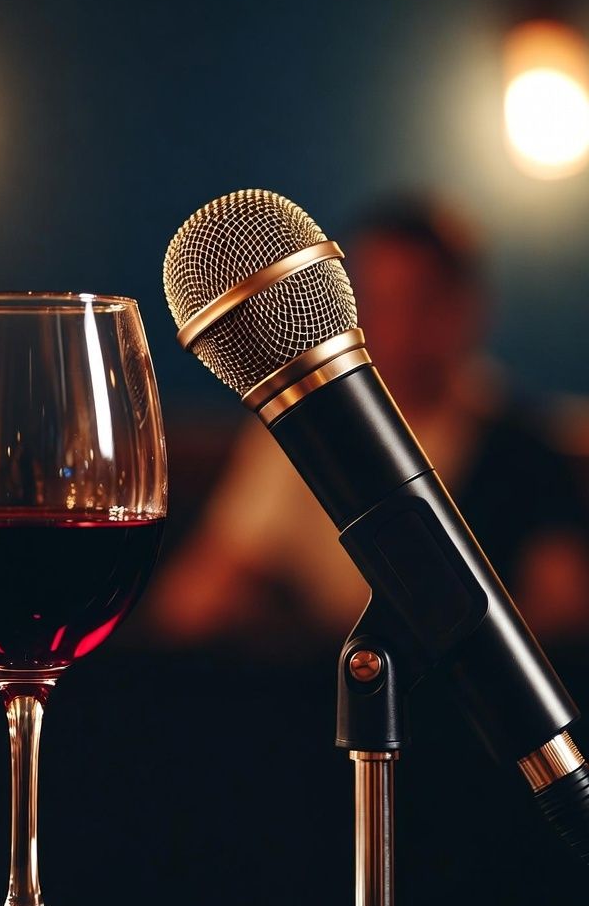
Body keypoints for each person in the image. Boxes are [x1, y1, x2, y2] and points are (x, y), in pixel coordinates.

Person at [150, 195, 589, 654]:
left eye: (418, 302)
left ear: (465, 308)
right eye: (378, 302)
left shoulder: (521, 448)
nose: (397, 329)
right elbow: (194, 599)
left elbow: (563, 612)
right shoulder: (303, 433)